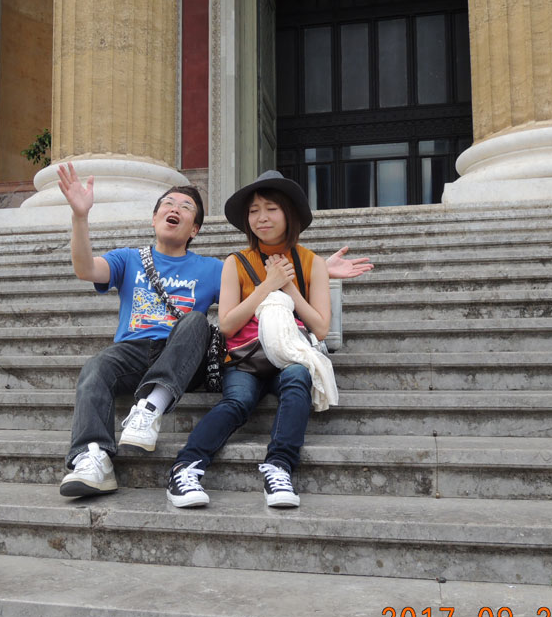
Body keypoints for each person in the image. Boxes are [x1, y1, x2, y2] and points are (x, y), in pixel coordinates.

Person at [56, 163, 372, 500]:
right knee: (96, 368)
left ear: (195, 229)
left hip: (189, 355)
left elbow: (266, 289)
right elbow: (86, 269)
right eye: (168, 204)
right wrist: (80, 216)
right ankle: (94, 458)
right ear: (154, 218)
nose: (175, 208)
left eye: (185, 206)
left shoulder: (212, 267)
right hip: (145, 352)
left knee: (197, 322)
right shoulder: (130, 259)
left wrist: (317, 269)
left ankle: (157, 410)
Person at [166, 171, 331, 509]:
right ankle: (185, 468)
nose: (261, 218)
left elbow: (321, 327)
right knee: (238, 401)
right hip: (244, 358)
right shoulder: (236, 262)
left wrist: (288, 287)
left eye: (271, 209)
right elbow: (227, 325)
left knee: (298, 378)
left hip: (290, 354)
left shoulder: (312, 262)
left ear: (289, 213)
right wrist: (267, 285)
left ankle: (279, 467)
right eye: (254, 211)